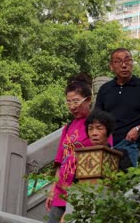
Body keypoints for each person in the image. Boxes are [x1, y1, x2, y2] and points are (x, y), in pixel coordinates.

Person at [95, 48, 140, 167]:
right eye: (118, 61)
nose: (124, 65)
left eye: (128, 60)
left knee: (124, 182)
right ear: (111, 66)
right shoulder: (105, 89)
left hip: (129, 144)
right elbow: (96, 120)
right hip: (106, 146)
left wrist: (138, 129)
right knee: (103, 184)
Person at [45, 73, 95, 223]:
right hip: (61, 191)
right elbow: (60, 161)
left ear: (88, 99)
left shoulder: (97, 125)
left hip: (82, 191)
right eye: (68, 102)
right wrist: (53, 189)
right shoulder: (67, 128)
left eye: (76, 101)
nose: (72, 107)